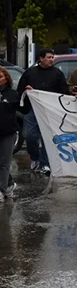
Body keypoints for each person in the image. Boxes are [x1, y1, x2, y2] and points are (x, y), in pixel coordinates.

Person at [17, 48, 69, 176]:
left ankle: (44, 163)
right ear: (41, 59)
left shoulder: (58, 74)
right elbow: (20, 90)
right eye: (49, 57)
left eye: (53, 57)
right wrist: (27, 90)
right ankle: (35, 157)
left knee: (47, 138)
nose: (52, 60)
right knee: (29, 135)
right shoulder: (29, 73)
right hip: (32, 111)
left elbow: (64, 92)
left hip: (50, 111)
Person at [0, 67, 19, 199]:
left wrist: (28, 95)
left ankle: (1, 189)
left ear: (6, 78)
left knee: (4, 162)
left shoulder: (12, 94)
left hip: (7, 133)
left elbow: (24, 108)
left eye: (0, 77)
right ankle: (9, 184)